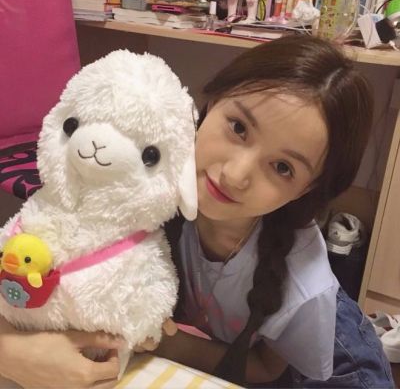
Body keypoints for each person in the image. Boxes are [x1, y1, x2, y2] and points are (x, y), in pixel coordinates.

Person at [0, 36, 394, 389]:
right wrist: (11, 350)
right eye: (238, 128)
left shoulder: (305, 288)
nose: (235, 175)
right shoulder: (149, 184)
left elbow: (268, 368)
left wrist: (169, 342)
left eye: (282, 167)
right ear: (210, 102)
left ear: (306, 189)